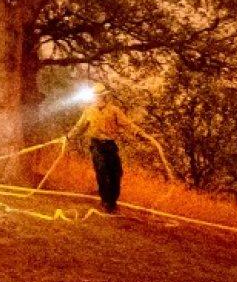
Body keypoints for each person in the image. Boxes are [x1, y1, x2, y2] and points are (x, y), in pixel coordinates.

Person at [66, 83, 167, 212]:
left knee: (116, 173)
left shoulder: (114, 111)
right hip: (96, 145)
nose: (98, 99)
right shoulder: (88, 112)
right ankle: (105, 201)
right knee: (101, 171)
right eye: (96, 97)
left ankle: (112, 203)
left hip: (110, 145)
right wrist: (67, 137)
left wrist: (141, 134)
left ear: (105, 97)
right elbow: (79, 127)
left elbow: (128, 124)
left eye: (100, 96)